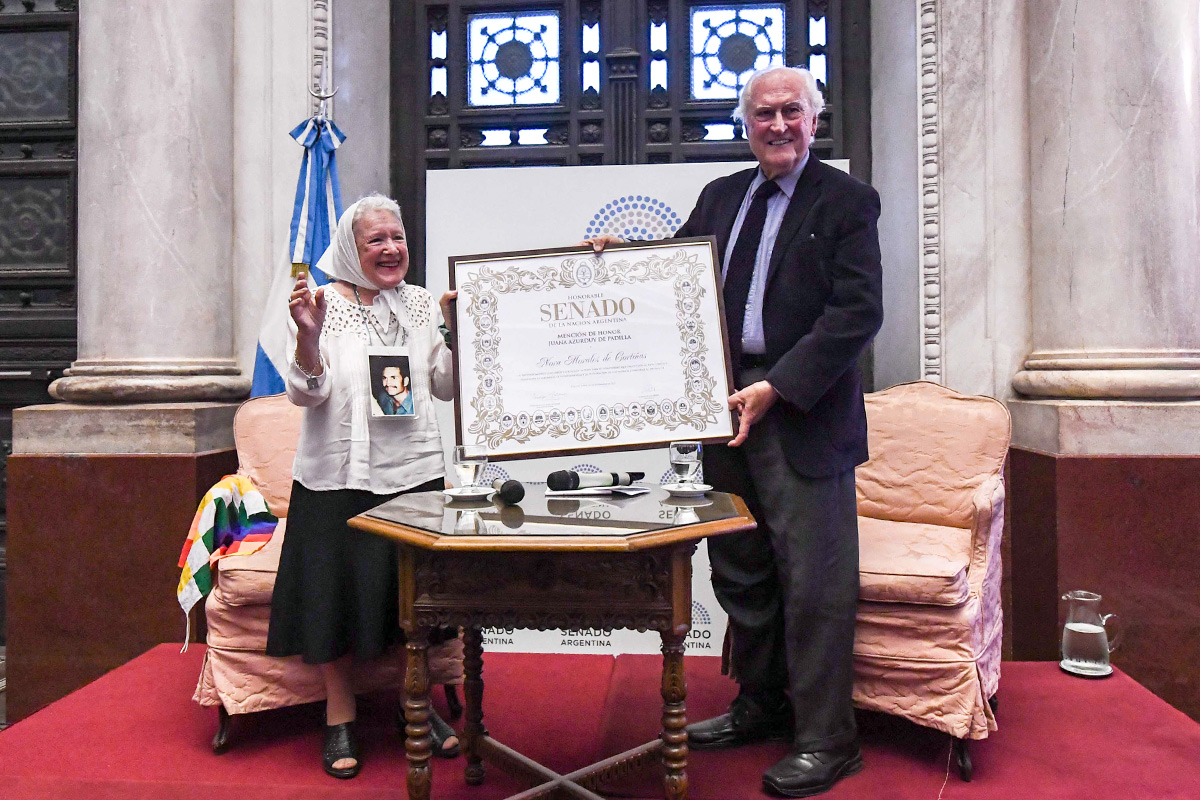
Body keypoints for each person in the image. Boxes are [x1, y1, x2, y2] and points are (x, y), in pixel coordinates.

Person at [587, 66, 883, 797]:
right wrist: (618, 261)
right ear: (743, 123)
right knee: (741, 572)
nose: (777, 125)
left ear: (815, 119)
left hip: (800, 413)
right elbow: (675, 278)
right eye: (762, 114)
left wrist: (777, 387)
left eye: (791, 111)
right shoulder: (721, 196)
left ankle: (826, 738)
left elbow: (857, 312)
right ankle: (759, 704)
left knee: (814, 584)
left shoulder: (847, 201)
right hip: (722, 414)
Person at [266, 194, 462, 779]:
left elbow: (446, 387)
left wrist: (453, 332)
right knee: (332, 597)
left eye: (398, 237)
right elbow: (306, 392)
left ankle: (415, 704)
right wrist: (306, 335)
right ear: (351, 249)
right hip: (337, 479)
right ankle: (339, 714)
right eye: (376, 240)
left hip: (414, 474)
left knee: (413, 600)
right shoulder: (319, 303)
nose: (391, 249)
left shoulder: (423, 303)